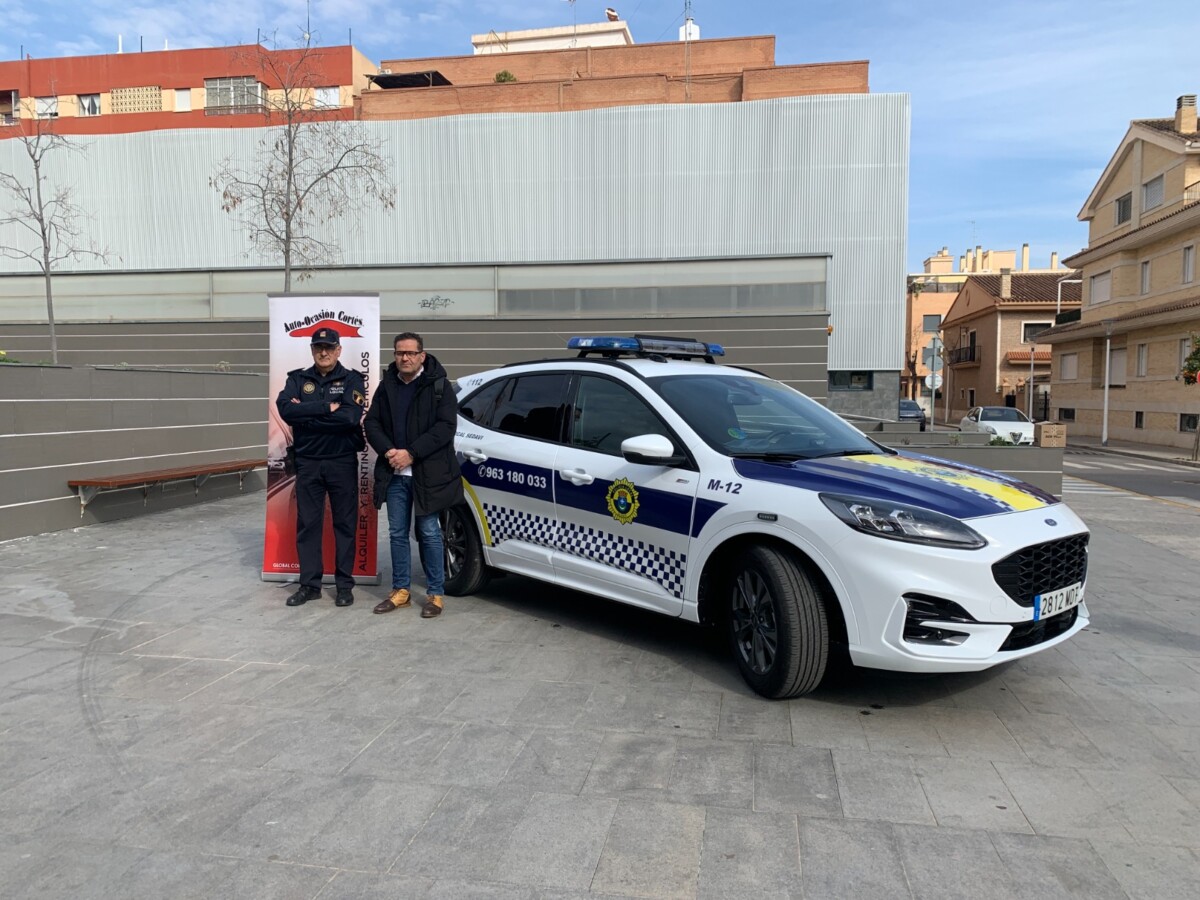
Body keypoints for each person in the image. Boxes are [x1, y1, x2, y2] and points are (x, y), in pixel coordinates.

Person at [364, 331, 463, 618]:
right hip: (394, 473)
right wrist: (389, 452)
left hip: (427, 474)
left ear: (422, 355)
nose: (404, 358)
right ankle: (401, 592)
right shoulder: (387, 386)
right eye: (399, 353)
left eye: (409, 353)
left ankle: (435, 594)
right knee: (397, 533)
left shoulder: (440, 386)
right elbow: (372, 423)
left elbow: (445, 428)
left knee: (430, 532)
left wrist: (411, 453)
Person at [275, 327, 366, 608]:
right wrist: (328, 408)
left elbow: (350, 418)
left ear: (339, 350)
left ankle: (344, 585)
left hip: (341, 462)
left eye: (329, 347)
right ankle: (310, 585)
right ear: (312, 350)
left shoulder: (352, 379)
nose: (323, 352)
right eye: (318, 347)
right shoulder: (298, 379)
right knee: (308, 525)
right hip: (308, 462)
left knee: (344, 524)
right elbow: (286, 410)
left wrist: (307, 416)